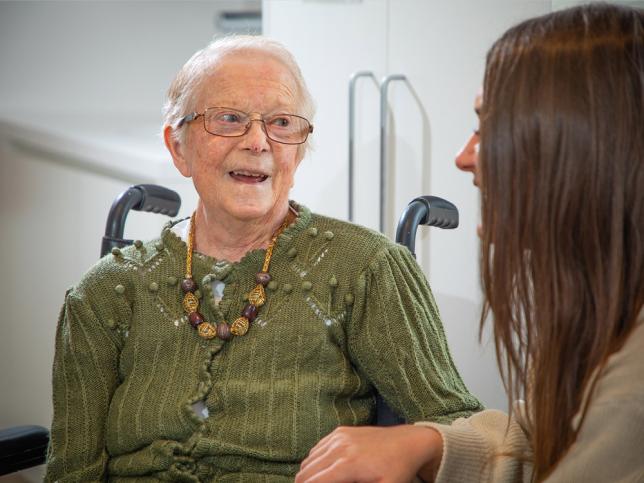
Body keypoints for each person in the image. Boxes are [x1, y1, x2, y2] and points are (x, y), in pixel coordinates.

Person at [44, 36, 483, 481]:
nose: (258, 142)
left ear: (298, 148)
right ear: (178, 148)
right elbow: (71, 472)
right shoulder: (104, 294)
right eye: (229, 119)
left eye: (281, 123)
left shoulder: (364, 268)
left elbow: (458, 430)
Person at [296, 4, 644, 482]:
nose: (462, 157)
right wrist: (430, 442)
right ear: (178, 148)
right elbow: (545, 437)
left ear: (581, 141)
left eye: (488, 126)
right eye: (230, 120)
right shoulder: (611, 327)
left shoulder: (633, 391)